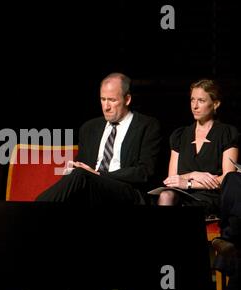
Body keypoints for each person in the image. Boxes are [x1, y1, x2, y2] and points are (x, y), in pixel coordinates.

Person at [36, 73, 162, 206]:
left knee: (81, 175)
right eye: (103, 99)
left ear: (127, 99)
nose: (106, 107)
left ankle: (33, 211)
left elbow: (145, 172)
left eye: (112, 100)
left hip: (126, 190)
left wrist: (98, 174)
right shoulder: (89, 128)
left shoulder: (147, 125)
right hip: (91, 189)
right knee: (77, 175)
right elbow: (82, 166)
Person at [157, 79, 238, 212]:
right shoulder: (180, 135)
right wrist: (193, 174)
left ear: (215, 104)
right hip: (182, 194)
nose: (194, 106)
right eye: (192, 100)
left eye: (201, 100)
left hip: (211, 195)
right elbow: (172, 179)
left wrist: (189, 183)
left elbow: (229, 179)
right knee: (166, 194)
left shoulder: (227, 133)